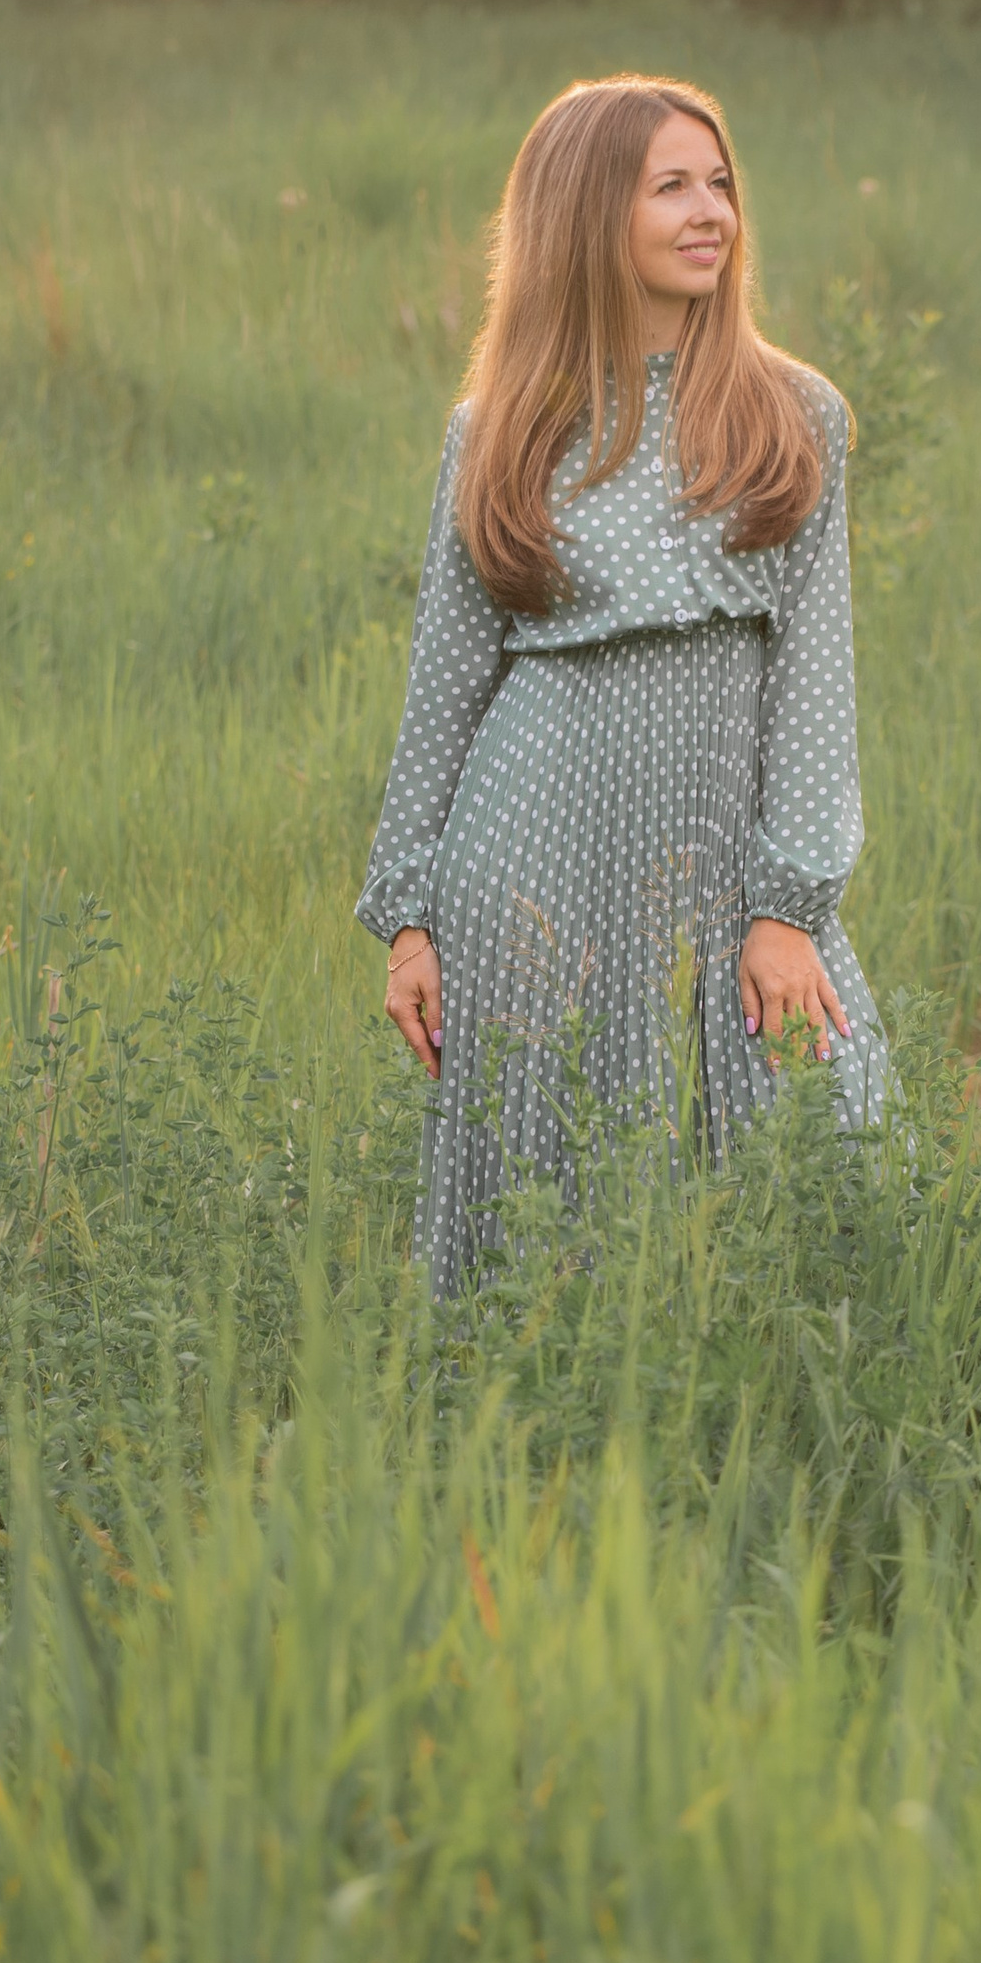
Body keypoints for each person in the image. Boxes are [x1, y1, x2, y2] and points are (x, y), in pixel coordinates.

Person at [357, 72, 891, 1295]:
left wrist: (788, 905)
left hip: (723, 858)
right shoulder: (501, 426)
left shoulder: (791, 413)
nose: (712, 211)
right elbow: (445, 680)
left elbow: (815, 670)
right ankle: (533, 1448)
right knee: (547, 1208)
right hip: (527, 859)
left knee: (834, 1156)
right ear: (587, 214)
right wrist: (408, 918)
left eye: (721, 183)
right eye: (671, 187)